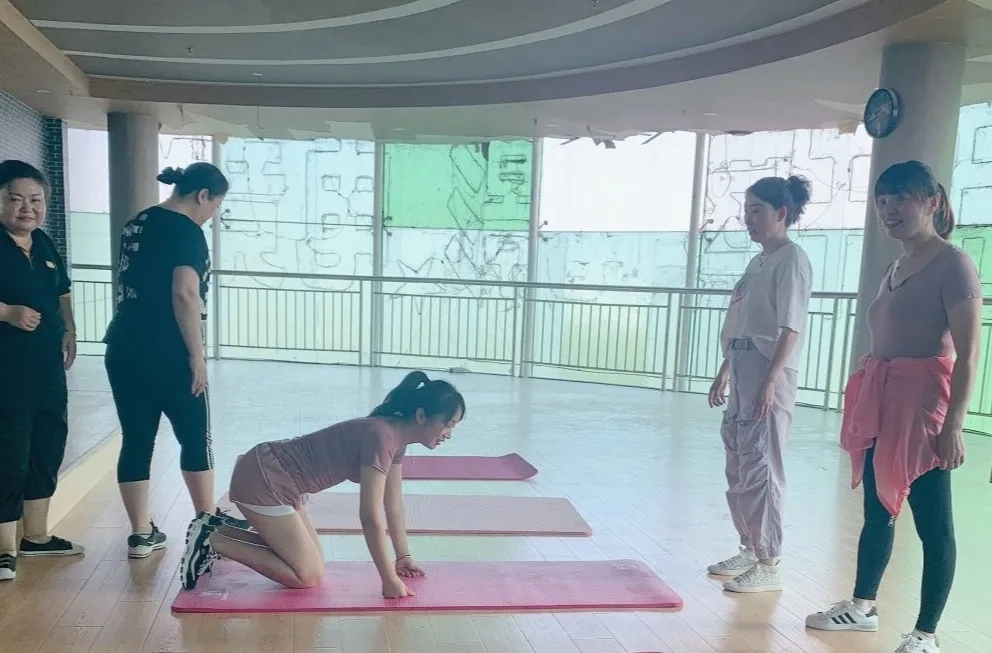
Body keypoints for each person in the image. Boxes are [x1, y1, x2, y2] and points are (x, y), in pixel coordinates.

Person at [805, 161, 981, 653]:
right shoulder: (896, 265)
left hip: (923, 409)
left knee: (933, 524)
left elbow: (969, 354)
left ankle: (926, 633)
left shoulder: (953, 264)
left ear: (931, 202)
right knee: (877, 508)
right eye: (882, 202)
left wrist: (953, 426)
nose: (889, 210)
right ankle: (862, 607)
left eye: (901, 198)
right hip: (882, 401)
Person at [179, 371, 466, 597]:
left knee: (312, 561)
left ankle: (214, 529)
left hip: (280, 480)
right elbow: (370, 515)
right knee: (307, 575)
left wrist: (402, 557)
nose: (449, 434)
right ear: (421, 415)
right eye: (448, 424)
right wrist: (387, 579)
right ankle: (213, 540)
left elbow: (393, 504)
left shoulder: (395, 439)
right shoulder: (382, 436)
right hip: (264, 479)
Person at [103, 163, 245, 560]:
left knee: (137, 438)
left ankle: (140, 533)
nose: (212, 214)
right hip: (168, 350)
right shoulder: (186, 231)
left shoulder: (138, 222)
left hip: (124, 345)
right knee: (195, 436)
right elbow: (185, 293)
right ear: (203, 196)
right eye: (215, 205)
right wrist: (196, 356)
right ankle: (206, 524)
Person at [706, 175, 814, 593]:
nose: (748, 219)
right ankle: (750, 547)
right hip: (742, 366)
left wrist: (771, 380)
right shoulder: (758, 262)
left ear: (781, 213)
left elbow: (791, 328)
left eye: (757, 211)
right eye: (746, 211)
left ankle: (769, 561)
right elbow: (742, 322)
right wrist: (725, 369)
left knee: (762, 464)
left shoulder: (792, 259)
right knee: (738, 461)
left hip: (768, 371)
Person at [0, 160, 84, 581]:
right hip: (7, 373)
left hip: (47, 369)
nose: (26, 208)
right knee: (9, 452)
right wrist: (6, 312)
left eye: (35, 200)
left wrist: (69, 329)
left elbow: (63, 290)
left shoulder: (44, 242)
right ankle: (4, 548)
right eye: (15, 199)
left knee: (47, 446)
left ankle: (36, 537)